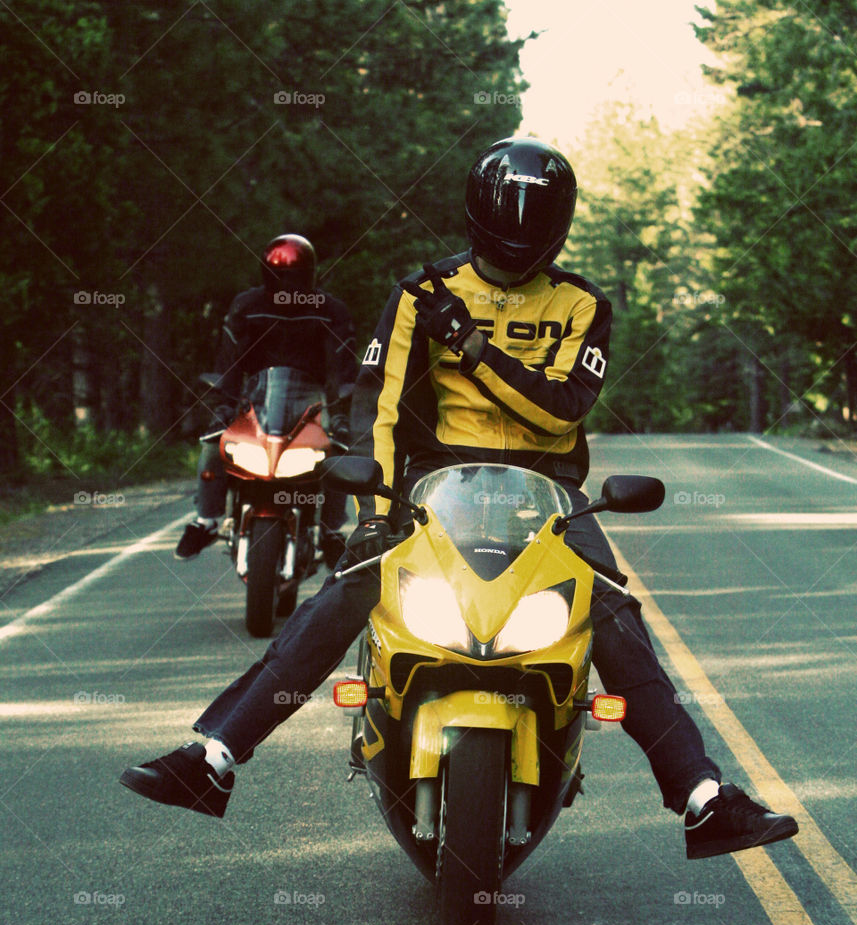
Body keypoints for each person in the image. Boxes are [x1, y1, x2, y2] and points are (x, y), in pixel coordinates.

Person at [122, 138, 798, 862]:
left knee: (612, 615)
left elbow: (563, 409)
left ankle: (701, 799)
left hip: (549, 493)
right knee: (345, 592)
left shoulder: (581, 304)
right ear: (477, 221)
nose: (515, 251)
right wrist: (375, 515)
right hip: (438, 486)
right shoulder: (420, 296)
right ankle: (214, 759)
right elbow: (379, 404)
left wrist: (474, 349)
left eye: (532, 237)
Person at [174, 233, 357, 563]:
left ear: (309, 275)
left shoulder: (330, 311)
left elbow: (340, 370)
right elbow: (228, 362)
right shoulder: (247, 306)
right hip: (257, 405)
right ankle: (206, 520)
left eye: (294, 277)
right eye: (279, 277)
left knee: (337, 451)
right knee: (214, 443)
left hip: (312, 407)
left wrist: (340, 413)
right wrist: (222, 407)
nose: (287, 285)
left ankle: (330, 531)